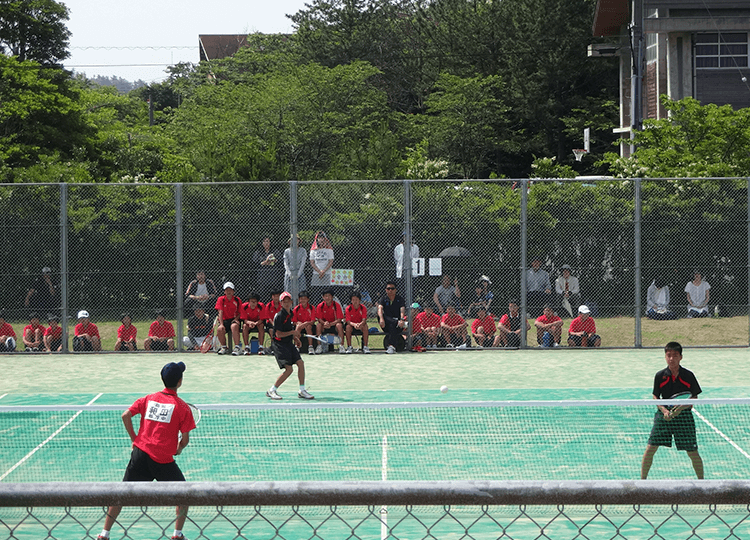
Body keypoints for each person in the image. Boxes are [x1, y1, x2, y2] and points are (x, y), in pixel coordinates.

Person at [97, 362, 196, 540]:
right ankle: (177, 534)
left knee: (121, 494)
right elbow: (185, 440)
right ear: (180, 382)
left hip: (140, 455)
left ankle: (104, 534)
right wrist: (179, 448)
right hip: (163, 460)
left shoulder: (149, 398)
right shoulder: (182, 408)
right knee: (184, 496)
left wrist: (135, 439)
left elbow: (125, 415)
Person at [640, 341, 704, 480]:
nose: (671, 359)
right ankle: (642, 482)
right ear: (665, 357)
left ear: (681, 357)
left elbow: (694, 397)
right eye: (668, 355)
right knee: (650, 449)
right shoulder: (660, 375)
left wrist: (680, 408)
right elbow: (655, 396)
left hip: (684, 417)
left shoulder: (688, 375)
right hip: (664, 417)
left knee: (692, 452)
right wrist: (664, 411)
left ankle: (702, 483)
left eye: (675, 355)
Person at [266, 292, 314, 400]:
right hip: (279, 345)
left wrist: (296, 339)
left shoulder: (290, 314)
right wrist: (293, 333)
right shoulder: (279, 316)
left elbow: (288, 330)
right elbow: (278, 334)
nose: (287, 303)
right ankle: (272, 390)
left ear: (292, 302)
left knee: (300, 363)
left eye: (288, 301)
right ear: (281, 303)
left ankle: (302, 390)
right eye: (284, 301)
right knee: (289, 370)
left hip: (289, 343)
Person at [378, 281, 406, 354]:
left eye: (392, 289)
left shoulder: (400, 299)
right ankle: (391, 347)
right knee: (381, 315)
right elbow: (380, 308)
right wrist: (381, 319)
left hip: (398, 324)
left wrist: (402, 319)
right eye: (388, 288)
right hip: (386, 324)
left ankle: (391, 347)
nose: (390, 290)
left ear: (395, 290)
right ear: (386, 290)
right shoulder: (383, 299)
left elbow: (402, 310)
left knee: (392, 325)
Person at [253, 236, 283, 302]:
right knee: (263, 296)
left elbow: (281, 262)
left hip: (273, 278)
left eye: (267, 241)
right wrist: (263, 263)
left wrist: (275, 261)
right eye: (264, 241)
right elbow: (254, 263)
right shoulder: (258, 252)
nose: (266, 243)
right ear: (262, 243)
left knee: (274, 295)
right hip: (262, 278)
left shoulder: (275, 251)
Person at [315, 288, 345, 354]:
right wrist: (324, 323)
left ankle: (341, 346)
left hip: (334, 325)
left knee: (339, 325)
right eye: (325, 296)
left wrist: (331, 324)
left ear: (332, 297)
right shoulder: (320, 306)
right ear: (323, 297)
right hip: (324, 326)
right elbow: (319, 319)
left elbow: (339, 319)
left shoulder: (336, 305)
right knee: (318, 325)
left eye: (329, 296)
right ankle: (319, 346)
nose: (327, 297)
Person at [215, 282, 242, 356]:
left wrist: (236, 319)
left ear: (233, 291)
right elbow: (220, 312)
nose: (228, 292)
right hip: (224, 320)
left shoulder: (237, 300)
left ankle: (237, 348)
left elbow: (240, 312)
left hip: (234, 319)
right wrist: (221, 324)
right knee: (220, 329)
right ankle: (224, 347)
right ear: (224, 291)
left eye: (230, 290)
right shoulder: (221, 299)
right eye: (227, 290)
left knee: (234, 326)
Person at [309, 231, 334, 303]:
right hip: (316, 274)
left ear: (325, 239)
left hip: (327, 273)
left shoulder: (329, 250)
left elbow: (330, 261)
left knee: (327, 293)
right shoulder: (313, 251)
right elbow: (312, 262)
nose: (321, 239)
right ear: (316, 240)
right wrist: (319, 271)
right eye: (319, 238)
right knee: (316, 293)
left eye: (322, 237)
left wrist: (323, 271)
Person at [292, 291, 317, 355]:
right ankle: (296, 347)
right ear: (299, 299)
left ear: (308, 299)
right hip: (299, 326)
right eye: (301, 298)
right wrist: (298, 323)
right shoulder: (296, 308)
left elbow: (313, 321)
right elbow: (294, 321)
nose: (303, 300)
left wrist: (306, 323)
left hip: (309, 326)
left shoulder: (312, 308)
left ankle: (310, 347)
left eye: (305, 298)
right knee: (297, 327)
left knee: (308, 327)